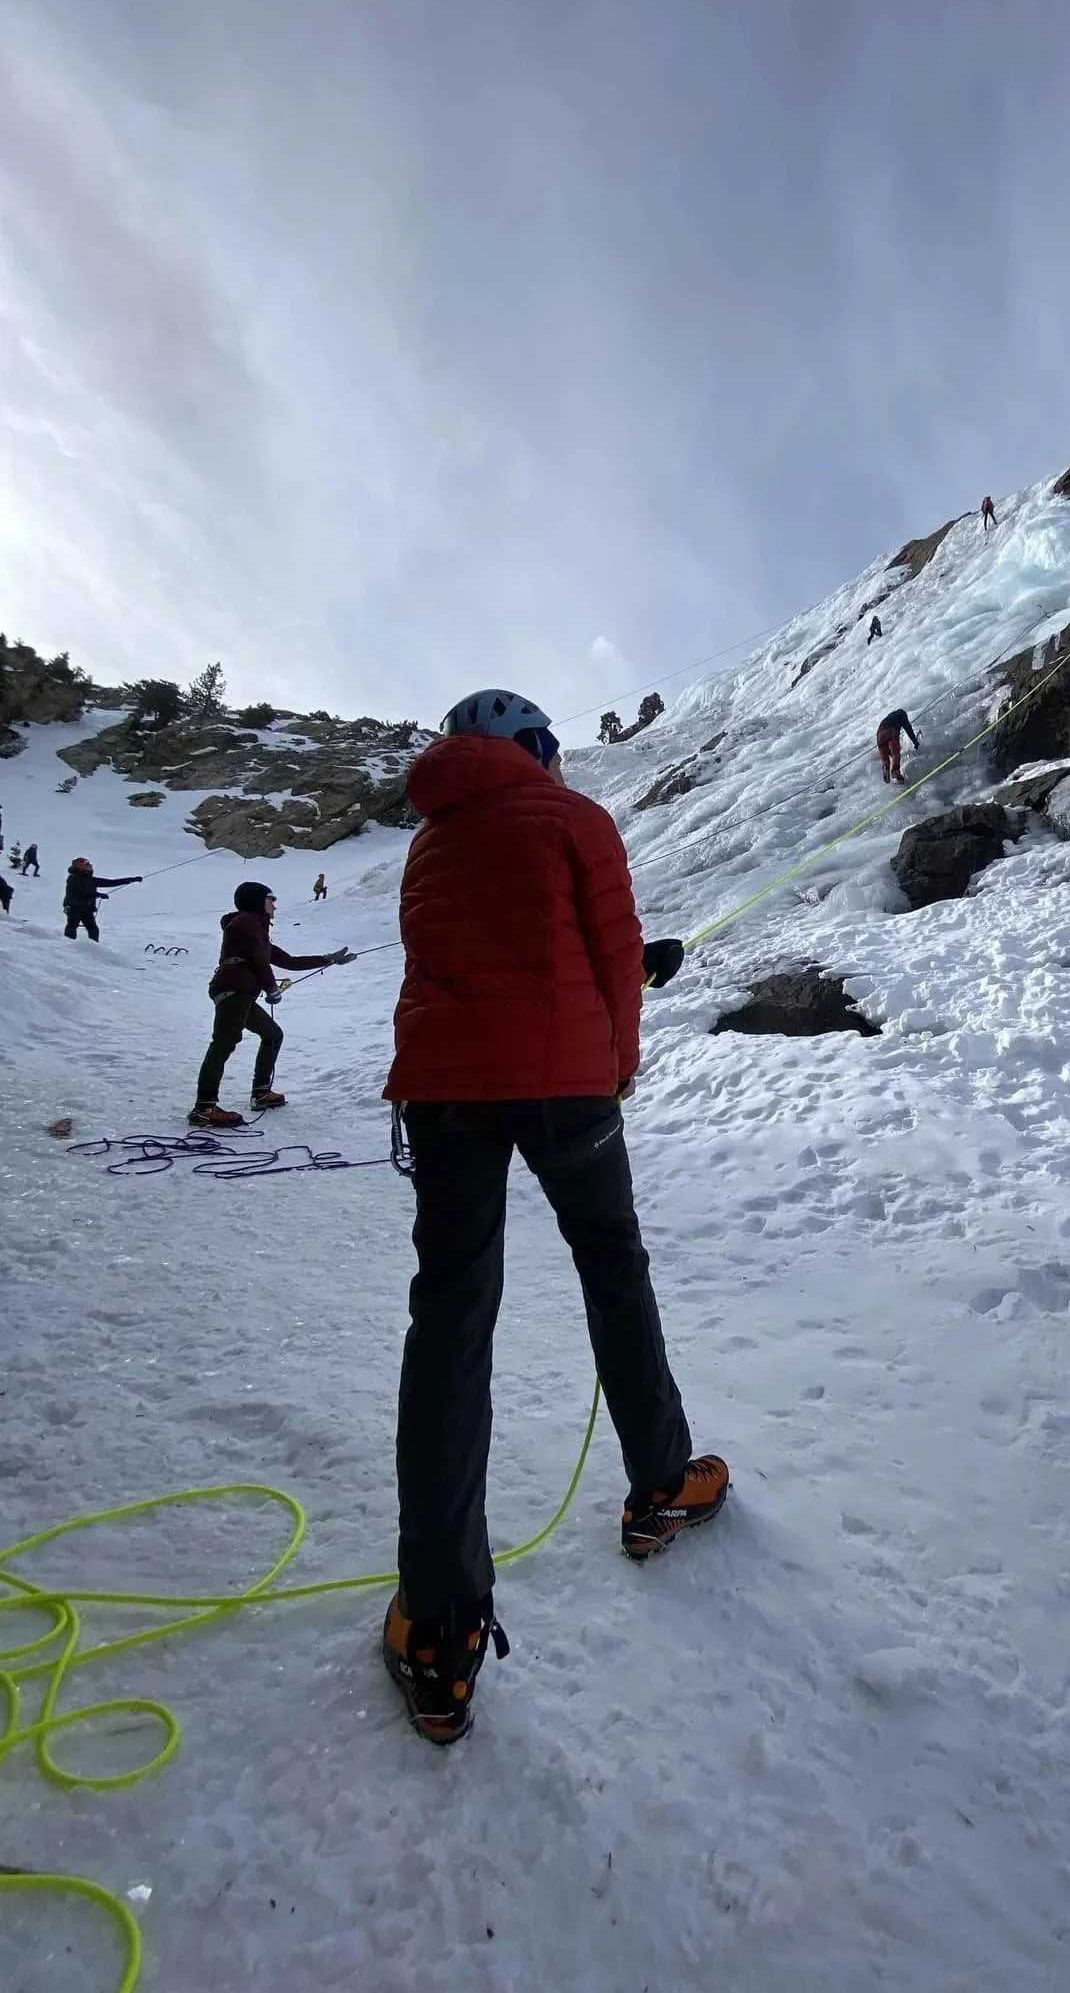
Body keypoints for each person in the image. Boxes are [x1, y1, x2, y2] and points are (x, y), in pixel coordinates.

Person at [380, 686, 725, 1745]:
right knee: (613, 1267)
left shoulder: (429, 842)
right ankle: (662, 1482)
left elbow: (458, 966)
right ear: (534, 748)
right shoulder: (576, 819)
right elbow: (613, 954)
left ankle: (438, 1624)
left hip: (444, 1091)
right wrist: (615, 1065)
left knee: (451, 1316)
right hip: (565, 1085)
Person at [188, 881, 355, 1127]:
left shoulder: (256, 930)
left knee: (272, 1034)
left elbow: (287, 960)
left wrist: (329, 959)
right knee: (223, 1043)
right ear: (257, 901)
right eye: (271, 899)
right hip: (234, 991)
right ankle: (204, 1108)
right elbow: (258, 962)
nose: (275, 904)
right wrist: (272, 988)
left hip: (239, 993)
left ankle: (261, 1093)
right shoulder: (247, 924)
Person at [63, 857, 140, 940]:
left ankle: (93, 948)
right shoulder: (73, 878)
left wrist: (132, 879)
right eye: (86, 864)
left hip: (86, 909)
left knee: (93, 930)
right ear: (79, 866)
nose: (90, 866)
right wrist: (98, 894)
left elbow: (111, 882)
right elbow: (81, 892)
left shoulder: (90, 879)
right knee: (72, 926)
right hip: (74, 907)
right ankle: (68, 947)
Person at [875, 707, 920, 784]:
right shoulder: (901, 714)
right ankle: (895, 770)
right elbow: (908, 728)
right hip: (890, 731)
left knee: (885, 757)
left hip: (879, 735)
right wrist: (915, 741)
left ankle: (886, 768)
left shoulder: (890, 716)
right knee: (895, 752)